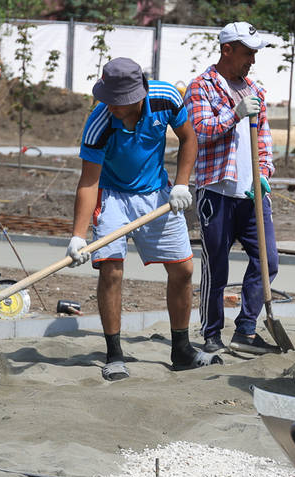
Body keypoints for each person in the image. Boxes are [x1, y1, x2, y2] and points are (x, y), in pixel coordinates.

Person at [67, 57, 222, 381]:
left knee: (183, 269)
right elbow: (89, 182)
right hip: (112, 196)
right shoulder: (100, 122)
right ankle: (114, 354)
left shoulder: (166, 98)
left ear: (139, 95)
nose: (113, 107)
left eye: (120, 102)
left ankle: (181, 349)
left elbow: (188, 138)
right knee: (111, 270)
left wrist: (181, 182)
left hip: (156, 194)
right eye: (109, 100)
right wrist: (78, 236)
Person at [184, 22, 282, 356]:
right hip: (217, 192)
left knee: (268, 260)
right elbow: (199, 131)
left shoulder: (256, 91)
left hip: (252, 193)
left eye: (254, 53)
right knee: (217, 266)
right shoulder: (201, 87)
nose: (252, 60)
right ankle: (212, 333)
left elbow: (264, 141)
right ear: (227, 49)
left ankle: (246, 330)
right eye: (247, 53)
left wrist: (265, 172)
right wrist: (235, 113)